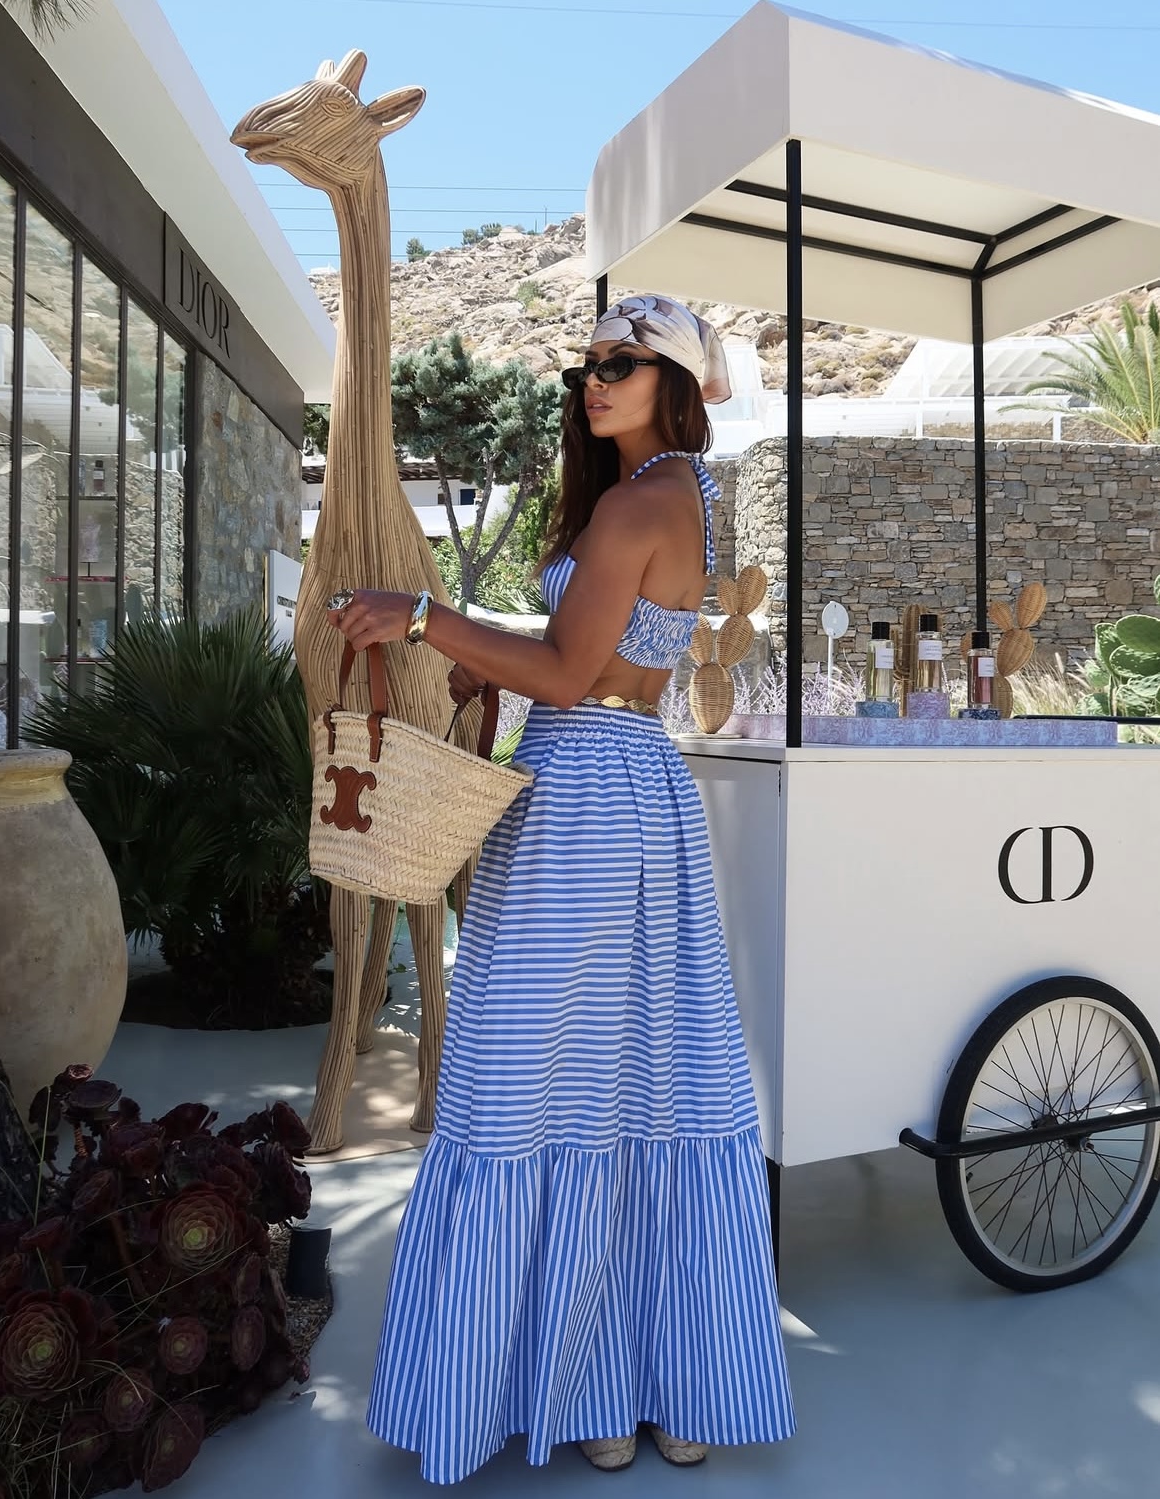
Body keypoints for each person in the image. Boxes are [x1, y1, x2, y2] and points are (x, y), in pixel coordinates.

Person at [331, 293, 795, 1484]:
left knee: (537, 1080)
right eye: (587, 363)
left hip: (584, 800)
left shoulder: (640, 501)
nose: (595, 378)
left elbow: (568, 670)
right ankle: (665, 1382)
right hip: (633, 791)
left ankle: (591, 1385)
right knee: (643, 1077)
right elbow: (588, 664)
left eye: (622, 362)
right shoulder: (678, 493)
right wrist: (490, 662)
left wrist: (423, 618)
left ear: (673, 381)